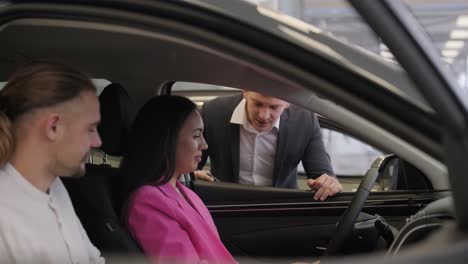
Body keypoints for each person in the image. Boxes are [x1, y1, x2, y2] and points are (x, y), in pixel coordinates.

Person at [0, 62, 104, 263]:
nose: (98, 142)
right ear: (54, 127)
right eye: (90, 129)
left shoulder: (54, 187)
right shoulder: (4, 217)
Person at [121, 95, 236, 264]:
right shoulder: (148, 202)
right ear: (167, 139)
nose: (204, 144)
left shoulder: (182, 191)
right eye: (196, 135)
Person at [195, 90, 343, 201]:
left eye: (274, 107)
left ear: (287, 103)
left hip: (278, 209)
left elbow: (321, 173)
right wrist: (192, 175)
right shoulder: (213, 112)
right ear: (245, 92)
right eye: (258, 104)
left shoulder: (305, 120)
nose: (263, 116)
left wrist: (328, 183)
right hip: (225, 207)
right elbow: (188, 166)